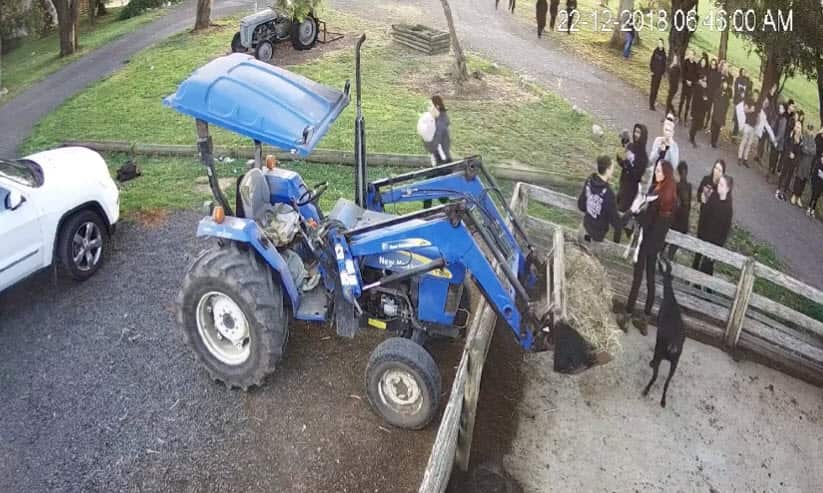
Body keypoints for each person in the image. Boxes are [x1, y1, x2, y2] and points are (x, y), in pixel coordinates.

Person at [620, 160, 678, 334]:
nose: (657, 173)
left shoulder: (656, 195)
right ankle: (645, 319)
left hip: (646, 242)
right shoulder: (672, 198)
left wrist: (637, 211)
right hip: (658, 245)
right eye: (657, 170)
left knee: (638, 279)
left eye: (660, 171)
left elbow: (647, 222)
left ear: (666, 174)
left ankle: (627, 315)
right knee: (651, 279)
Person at [694, 175, 733, 276]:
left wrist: (718, 248)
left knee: (707, 265)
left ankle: (705, 286)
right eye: (719, 183)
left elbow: (725, 230)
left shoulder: (728, 208)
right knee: (699, 260)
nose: (719, 186)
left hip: (715, 242)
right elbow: (705, 215)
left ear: (727, 189)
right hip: (704, 235)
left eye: (722, 185)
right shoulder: (714, 197)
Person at [577, 156, 623, 242]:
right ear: (607, 170)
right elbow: (616, 222)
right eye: (612, 168)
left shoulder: (589, 181)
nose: (613, 171)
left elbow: (581, 205)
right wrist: (631, 211)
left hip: (585, 227)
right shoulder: (609, 194)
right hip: (596, 236)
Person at [420, 95, 452, 208]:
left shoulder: (440, 124)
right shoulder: (440, 120)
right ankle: (452, 207)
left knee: (428, 187)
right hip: (442, 162)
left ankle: (425, 214)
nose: (428, 108)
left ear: (437, 106)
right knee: (436, 191)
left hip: (443, 163)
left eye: (430, 105)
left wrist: (425, 140)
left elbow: (434, 145)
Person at [739, 99, 776, 167]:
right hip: (748, 125)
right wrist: (750, 110)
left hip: (753, 129)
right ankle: (739, 157)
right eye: (764, 102)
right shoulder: (754, 104)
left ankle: (745, 159)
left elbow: (767, 126)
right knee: (743, 142)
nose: (765, 104)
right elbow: (745, 111)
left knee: (749, 144)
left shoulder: (763, 114)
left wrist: (773, 138)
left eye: (766, 103)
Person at [668, 161, 691, 260]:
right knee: (672, 250)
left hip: (675, 221)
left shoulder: (676, 186)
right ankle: (668, 261)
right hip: (684, 223)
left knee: (665, 243)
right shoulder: (689, 186)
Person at [791, 124, 817, 208]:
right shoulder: (804, 137)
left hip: (808, 166)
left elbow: (814, 152)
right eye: (809, 129)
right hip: (802, 163)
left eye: (811, 130)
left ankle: (799, 197)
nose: (810, 131)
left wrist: (808, 149)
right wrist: (809, 150)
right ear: (807, 129)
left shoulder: (813, 140)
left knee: (803, 182)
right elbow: (803, 149)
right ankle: (794, 195)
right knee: (798, 179)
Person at [776, 119, 803, 202]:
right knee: (784, 173)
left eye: (799, 127)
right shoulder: (791, 134)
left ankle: (784, 191)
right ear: (794, 127)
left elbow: (799, 152)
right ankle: (778, 189)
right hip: (787, 158)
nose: (797, 129)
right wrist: (789, 153)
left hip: (793, 161)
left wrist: (794, 156)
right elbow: (786, 145)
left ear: (800, 129)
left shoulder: (801, 139)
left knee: (789, 176)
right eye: (796, 127)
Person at [710, 78, 733, 148]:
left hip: (722, 114)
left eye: (726, 84)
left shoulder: (728, 93)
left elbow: (727, 104)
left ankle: (715, 142)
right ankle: (712, 141)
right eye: (724, 83)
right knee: (714, 128)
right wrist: (721, 96)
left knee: (718, 129)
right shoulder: (718, 91)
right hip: (716, 112)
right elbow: (714, 99)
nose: (725, 85)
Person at [689, 74, 709, 147]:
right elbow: (695, 100)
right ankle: (692, 137)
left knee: (697, 125)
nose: (705, 82)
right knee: (694, 124)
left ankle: (692, 135)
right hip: (697, 110)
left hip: (702, 110)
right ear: (700, 80)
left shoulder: (705, 89)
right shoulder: (698, 88)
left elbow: (706, 99)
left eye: (706, 81)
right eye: (703, 80)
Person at [768, 103, 788, 176]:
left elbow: (781, 132)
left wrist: (775, 140)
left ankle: (772, 170)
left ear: (784, 110)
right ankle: (770, 169)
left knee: (774, 157)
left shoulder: (784, 119)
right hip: (773, 138)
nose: (780, 109)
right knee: (771, 155)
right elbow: (773, 125)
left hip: (777, 142)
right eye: (779, 108)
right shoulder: (777, 116)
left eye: (781, 108)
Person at [678, 50, 698, 121]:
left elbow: (696, 76)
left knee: (688, 103)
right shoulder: (685, 62)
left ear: (694, 56)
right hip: (685, 84)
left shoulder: (695, 65)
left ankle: (685, 117)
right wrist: (686, 80)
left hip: (691, 86)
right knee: (682, 100)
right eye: (689, 54)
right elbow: (683, 73)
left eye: (692, 54)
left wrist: (692, 82)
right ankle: (678, 115)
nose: (690, 56)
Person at [807, 127, 823, 218]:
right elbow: (815, 142)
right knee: (814, 190)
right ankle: (809, 206)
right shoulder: (818, 137)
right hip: (817, 166)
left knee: (818, 192)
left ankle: (813, 208)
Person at [732, 68, 752, 136]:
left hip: (743, 103)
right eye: (742, 72)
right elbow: (735, 89)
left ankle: (736, 133)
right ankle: (734, 133)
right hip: (737, 101)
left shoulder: (748, 81)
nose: (744, 73)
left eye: (745, 72)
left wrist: (749, 78)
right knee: (736, 118)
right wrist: (740, 94)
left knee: (740, 118)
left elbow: (749, 91)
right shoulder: (738, 79)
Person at [649, 39, 667, 111]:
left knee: (656, 89)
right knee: (653, 89)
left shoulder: (664, 53)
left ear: (663, 44)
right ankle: (651, 104)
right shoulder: (655, 51)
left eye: (661, 43)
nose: (659, 44)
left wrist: (662, 73)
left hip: (659, 74)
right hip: (654, 72)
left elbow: (664, 64)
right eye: (658, 43)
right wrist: (651, 70)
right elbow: (652, 61)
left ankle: (653, 101)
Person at [704, 58, 721, 128]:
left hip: (712, 95)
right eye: (712, 64)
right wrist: (704, 94)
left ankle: (706, 123)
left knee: (709, 110)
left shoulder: (718, 74)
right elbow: (705, 83)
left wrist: (715, 96)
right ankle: (701, 121)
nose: (713, 65)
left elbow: (718, 86)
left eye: (714, 64)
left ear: (716, 65)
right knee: (703, 108)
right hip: (706, 92)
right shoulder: (707, 72)